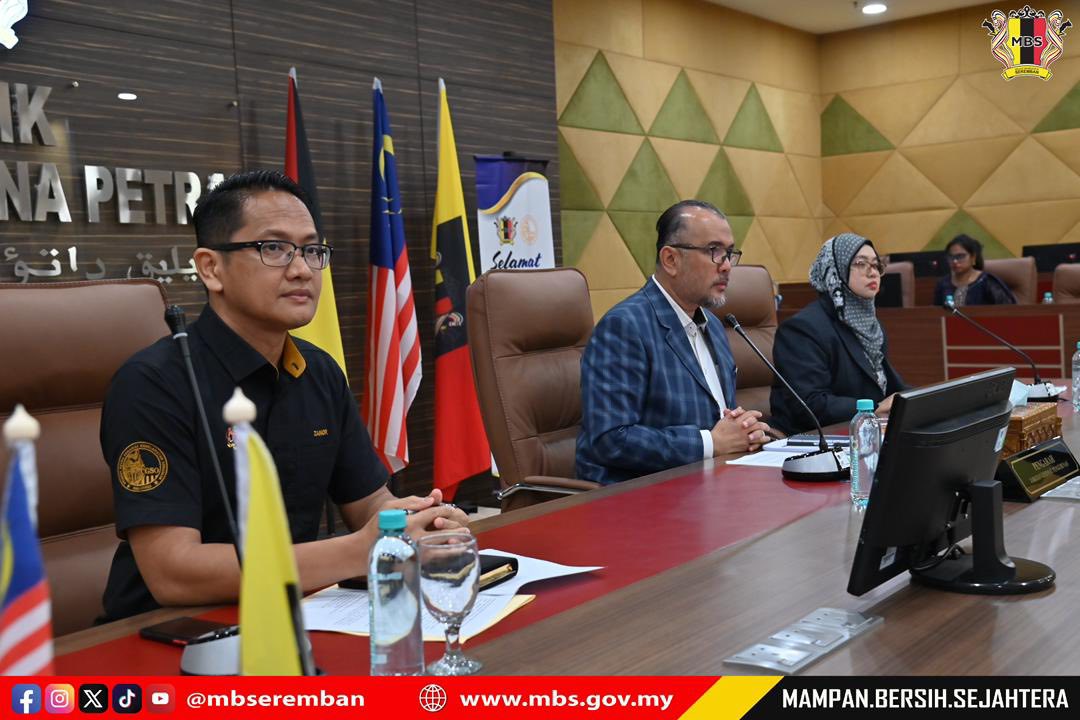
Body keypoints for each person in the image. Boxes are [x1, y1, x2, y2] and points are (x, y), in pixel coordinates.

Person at [99, 170, 467, 622]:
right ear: (211, 268)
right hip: (168, 632)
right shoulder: (153, 384)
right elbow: (173, 572)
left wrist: (420, 522)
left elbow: (370, 503)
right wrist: (360, 550)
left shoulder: (319, 371)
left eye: (312, 250)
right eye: (274, 248)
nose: (301, 269)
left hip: (295, 614)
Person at [576, 200, 770, 485]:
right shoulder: (625, 326)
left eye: (729, 253)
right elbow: (610, 439)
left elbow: (718, 423)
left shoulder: (714, 325)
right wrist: (710, 443)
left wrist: (742, 430)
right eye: (714, 251)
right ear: (670, 260)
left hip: (711, 483)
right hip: (641, 493)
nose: (727, 266)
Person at [769, 233, 907, 435]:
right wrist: (874, 408)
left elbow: (887, 387)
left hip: (862, 432)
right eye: (860, 263)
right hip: (814, 438)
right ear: (835, 269)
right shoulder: (802, 328)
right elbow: (810, 404)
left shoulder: (872, 328)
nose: (873, 272)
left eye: (876, 265)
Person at [933, 234, 1016, 306]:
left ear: (973, 257)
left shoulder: (987, 282)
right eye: (951, 257)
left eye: (960, 256)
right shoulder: (943, 284)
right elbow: (936, 313)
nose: (955, 261)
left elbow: (1009, 311)